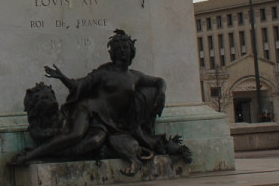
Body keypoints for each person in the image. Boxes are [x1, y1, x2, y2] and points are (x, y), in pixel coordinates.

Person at [13, 30, 167, 174]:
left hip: (108, 122)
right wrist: (63, 78)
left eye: (125, 48)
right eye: (119, 48)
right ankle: (31, 155)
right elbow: (80, 85)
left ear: (132, 51)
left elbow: (160, 81)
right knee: (74, 134)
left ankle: (49, 153)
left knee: (94, 141)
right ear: (112, 52)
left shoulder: (135, 76)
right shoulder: (105, 71)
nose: (122, 51)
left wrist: (160, 93)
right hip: (88, 110)